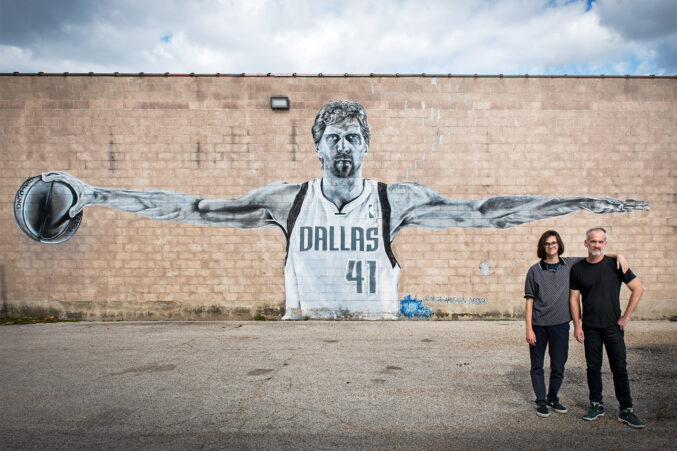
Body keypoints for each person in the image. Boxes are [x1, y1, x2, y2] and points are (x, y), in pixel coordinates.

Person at [35, 101, 649, 320]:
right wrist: (98, 194)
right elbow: (193, 208)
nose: (345, 145)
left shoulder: (394, 200)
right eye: (334, 136)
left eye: (355, 136)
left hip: (373, 343)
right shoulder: (288, 199)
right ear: (318, 144)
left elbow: (486, 211)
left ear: (367, 145)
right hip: (299, 341)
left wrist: (576, 202)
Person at [524, 230, 627, 418]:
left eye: (554, 243)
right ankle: (540, 402)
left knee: (558, 365)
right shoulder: (534, 271)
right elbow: (529, 300)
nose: (551, 246)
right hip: (539, 325)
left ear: (559, 245)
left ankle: (552, 398)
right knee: (537, 365)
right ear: (542, 247)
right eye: (547, 244)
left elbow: (595, 254)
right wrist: (529, 328)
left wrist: (618, 255)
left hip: (561, 325)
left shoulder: (570, 264)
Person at [569, 227, 645, 428]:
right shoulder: (577, 269)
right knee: (593, 368)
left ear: (605, 244)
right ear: (586, 243)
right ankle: (596, 404)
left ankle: (626, 410)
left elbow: (638, 288)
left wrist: (626, 317)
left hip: (613, 327)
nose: (596, 245)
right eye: (593, 241)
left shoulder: (616, 264)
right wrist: (577, 325)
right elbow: (574, 298)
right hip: (591, 327)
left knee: (619, 368)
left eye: (600, 241)